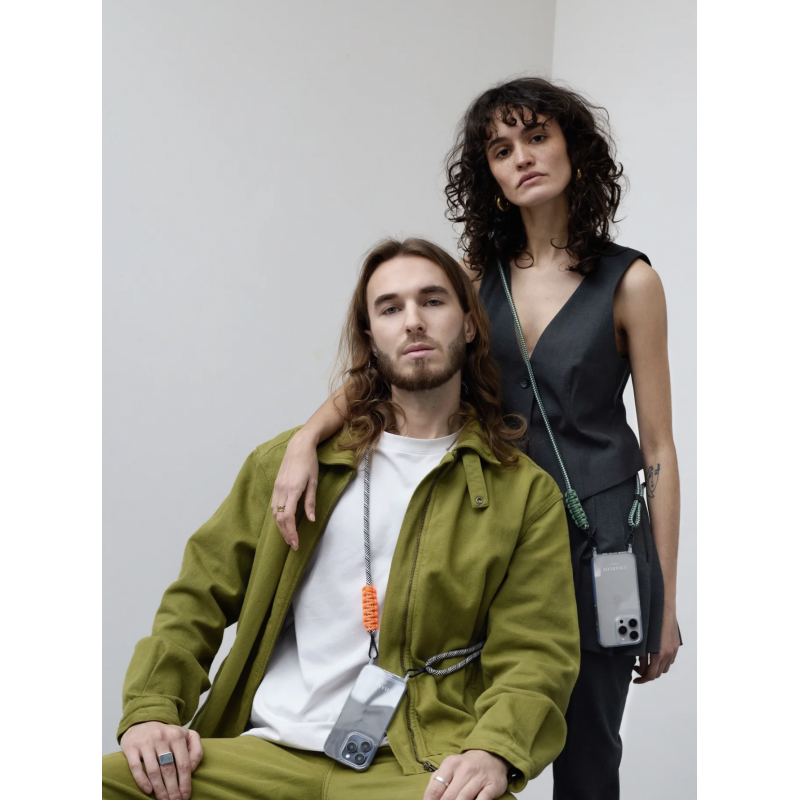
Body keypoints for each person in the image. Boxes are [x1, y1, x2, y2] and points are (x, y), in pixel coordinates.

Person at [271, 78, 682, 800]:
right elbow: (385, 369)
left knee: (589, 751)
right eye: (501, 148)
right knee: (465, 732)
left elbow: (659, 451)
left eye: (537, 137)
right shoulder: (472, 279)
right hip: (491, 528)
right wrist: (306, 440)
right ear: (488, 173)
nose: (522, 157)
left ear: (574, 150)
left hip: (600, 544)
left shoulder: (631, 282)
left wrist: (667, 603)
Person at [102, 237, 581, 800]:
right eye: (390, 308)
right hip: (267, 752)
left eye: (432, 301)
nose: (413, 321)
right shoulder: (290, 466)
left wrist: (494, 749)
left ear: (470, 325)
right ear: (371, 339)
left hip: (412, 764)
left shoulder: (523, 494)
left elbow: (535, 651)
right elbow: (197, 598)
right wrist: (151, 710)